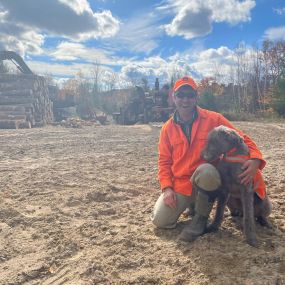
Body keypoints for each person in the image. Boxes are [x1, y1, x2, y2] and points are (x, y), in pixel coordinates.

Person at [151, 76, 271, 241]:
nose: (185, 100)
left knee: (207, 171)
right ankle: (192, 204)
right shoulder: (167, 129)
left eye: (190, 95)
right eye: (181, 95)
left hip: (207, 181)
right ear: (173, 97)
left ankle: (200, 220)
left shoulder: (214, 119)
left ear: (196, 97)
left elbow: (243, 138)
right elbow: (164, 162)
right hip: (181, 184)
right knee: (160, 220)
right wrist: (167, 189)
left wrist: (256, 160)